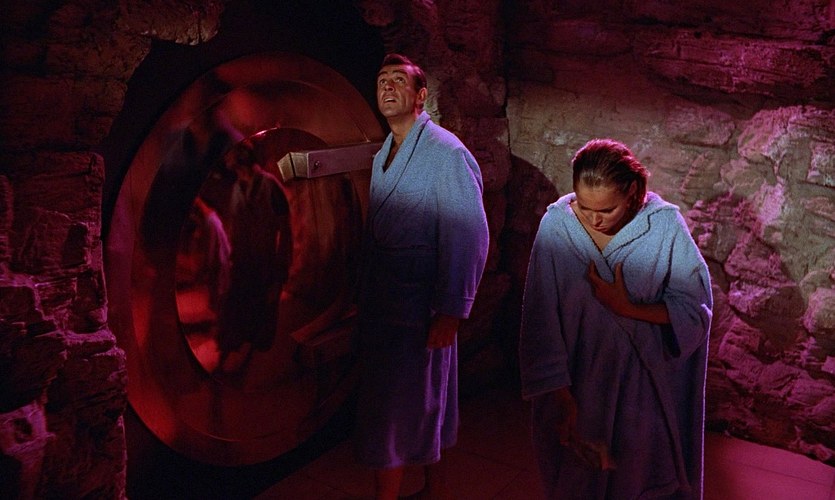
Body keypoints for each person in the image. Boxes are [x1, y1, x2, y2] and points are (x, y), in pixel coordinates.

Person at [518, 138, 712, 499]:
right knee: (579, 482)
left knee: (637, 484)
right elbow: (541, 314)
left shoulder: (663, 225)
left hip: (640, 393)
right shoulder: (557, 227)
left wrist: (627, 307)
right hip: (579, 386)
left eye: (607, 210)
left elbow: (694, 309)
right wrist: (559, 394)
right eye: (584, 206)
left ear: (633, 193)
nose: (594, 219)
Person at [354, 53, 490, 500]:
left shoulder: (447, 154)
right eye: (382, 80)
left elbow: (469, 233)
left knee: (396, 412)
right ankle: (435, 490)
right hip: (386, 304)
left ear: (421, 96)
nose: (388, 87)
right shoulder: (385, 154)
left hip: (421, 304)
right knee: (417, 402)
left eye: (398, 80)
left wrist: (452, 310)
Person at [216, 139, 291, 372]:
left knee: (260, 320)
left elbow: (285, 232)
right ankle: (230, 356)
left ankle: (248, 364)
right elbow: (235, 228)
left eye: (234, 161)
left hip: (265, 266)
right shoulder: (237, 189)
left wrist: (280, 272)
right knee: (236, 315)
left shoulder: (270, 187)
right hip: (243, 266)